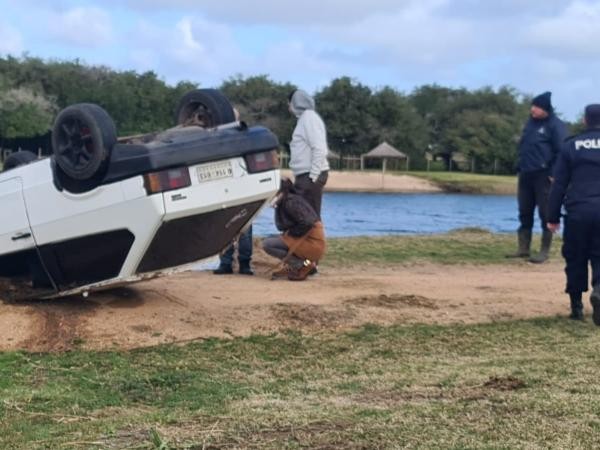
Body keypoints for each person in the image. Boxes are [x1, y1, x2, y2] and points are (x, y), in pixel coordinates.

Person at [547, 104, 600, 323]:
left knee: (576, 256)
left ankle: (576, 307)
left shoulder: (571, 146)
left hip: (578, 210)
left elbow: (558, 184)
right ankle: (599, 289)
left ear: (585, 120)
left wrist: (552, 217)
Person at [507, 91, 568, 263]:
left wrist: (554, 173)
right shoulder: (530, 124)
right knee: (524, 211)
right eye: (532, 106)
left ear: (545, 109)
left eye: (536, 107)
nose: (532, 110)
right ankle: (523, 248)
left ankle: (544, 251)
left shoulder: (555, 126)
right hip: (526, 173)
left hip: (544, 176)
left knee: (546, 213)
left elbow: (562, 152)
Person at [262, 178, 326, 281]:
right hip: (310, 239)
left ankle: (302, 265)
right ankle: (299, 265)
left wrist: (291, 233)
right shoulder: (288, 200)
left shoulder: (290, 202)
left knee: (268, 244)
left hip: (312, 242)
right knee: (270, 240)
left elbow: (307, 222)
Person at [288, 89, 330, 218]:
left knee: (309, 216)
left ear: (295, 103)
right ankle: (308, 238)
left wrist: (313, 175)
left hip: (310, 175)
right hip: (304, 175)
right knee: (306, 215)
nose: (288, 107)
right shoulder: (303, 119)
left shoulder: (309, 118)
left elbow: (319, 148)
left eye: (289, 103)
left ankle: (316, 238)